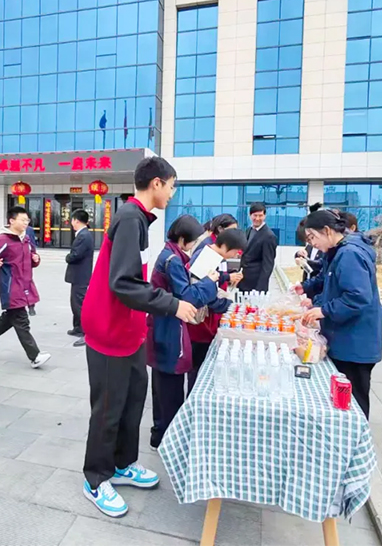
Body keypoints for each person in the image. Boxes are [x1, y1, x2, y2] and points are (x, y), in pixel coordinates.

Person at [80, 156, 198, 518]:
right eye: (172, 185)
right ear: (157, 183)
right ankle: (96, 478)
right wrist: (172, 305)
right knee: (108, 409)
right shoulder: (130, 218)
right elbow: (123, 283)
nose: (173, 193)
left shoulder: (140, 220)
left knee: (132, 402)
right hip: (108, 330)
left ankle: (122, 464)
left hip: (129, 330)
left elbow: (135, 281)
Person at [148, 216, 243, 449]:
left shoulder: (173, 255)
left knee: (163, 382)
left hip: (165, 323)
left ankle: (160, 435)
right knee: (170, 384)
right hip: (170, 325)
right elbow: (189, 296)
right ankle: (169, 438)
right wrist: (212, 283)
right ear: (182, 239)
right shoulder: (174, 260)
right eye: (193, 242)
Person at [299, 209, 382, 419]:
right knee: (345, 397)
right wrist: (307, 290)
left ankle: (356, 442)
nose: (312, 244)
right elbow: (329, 282)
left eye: (312, 237)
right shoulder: (338, 250)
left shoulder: (349, 254)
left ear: (327, 231)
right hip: (348, 336)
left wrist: (324, 310)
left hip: (355, 341)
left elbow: (357, 297)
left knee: (354, 400)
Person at [0, 207, 51, 369]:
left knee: (10, 318)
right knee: (21, 320)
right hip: (10, 287)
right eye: (22, 220)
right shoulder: (2, 240)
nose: (26, 223)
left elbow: (30, 260)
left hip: (25, 285)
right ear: (11, 221)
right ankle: (35, 356)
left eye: (27, 220)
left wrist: (35, 259)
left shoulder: (26, 239)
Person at [187, 225, 247, 390]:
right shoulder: (206, 257)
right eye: (236, 252)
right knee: (197, 368)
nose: (236, 256)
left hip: (205, 321)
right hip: (199, 324)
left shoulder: (212, 255)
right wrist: (228, 305)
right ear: (227, 247)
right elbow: (200, 293)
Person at [65, 209, 93, 347]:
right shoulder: (82, 234)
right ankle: (77, 327)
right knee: (74, 302)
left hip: (81, 274)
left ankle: (86, 331)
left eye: (72, 220)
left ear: (76, 220)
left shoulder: (84, 236)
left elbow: (76, 254)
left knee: (79, 303)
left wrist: (68, 257)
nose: (71, 223)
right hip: (78, 275)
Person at [238, 202, 277, 293]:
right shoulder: (248, 230)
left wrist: (260, 288)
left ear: (265, 216)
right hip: (244, 281)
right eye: (255, 215)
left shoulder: (269, 236)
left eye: (260, 215)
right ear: (250, 215)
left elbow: (268, 264)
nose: (257, 218)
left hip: (256, 284)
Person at [25, 224, 39, 316]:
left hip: (26, 263)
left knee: (28, 285)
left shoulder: (29, 230)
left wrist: (34, 255)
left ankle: (31, 306)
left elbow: (32, 244)